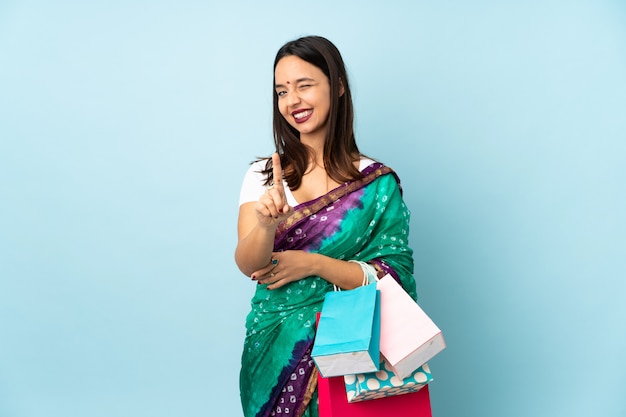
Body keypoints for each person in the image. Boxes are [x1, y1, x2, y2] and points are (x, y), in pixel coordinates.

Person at [235, 35, 417, 417]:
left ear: (337, 87)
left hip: (352, 347)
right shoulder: (265, 174)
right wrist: (267, 224)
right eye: (282, 91)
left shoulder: (375, 182)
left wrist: (313, 264)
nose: (292, 101)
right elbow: (248, 263)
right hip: (275, 347)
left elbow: (393, 276)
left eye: (304, 86)